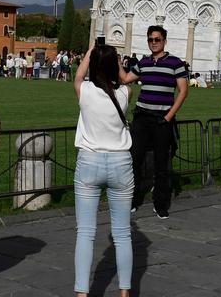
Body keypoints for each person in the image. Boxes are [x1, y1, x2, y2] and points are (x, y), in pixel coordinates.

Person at [72, 43, 135, 297]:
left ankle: (82, 293)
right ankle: (124, 292)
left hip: (90, 161)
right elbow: (122, 79)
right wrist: (117, 62)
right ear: (114, 66)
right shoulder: (125, 93)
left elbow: (77, 76)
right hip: (120, 162)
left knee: (85, 234)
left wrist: (89, 54)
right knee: (122, 235)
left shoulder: (84, 90)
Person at [128, 25, 188, 219]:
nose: (154, 43)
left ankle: (161, 204)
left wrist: (168, 116)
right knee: (134, 160)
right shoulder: (143, 62)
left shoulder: (175, 63)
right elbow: (126, 78)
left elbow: (184, 91)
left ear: (164, 41)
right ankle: (132, 200)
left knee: (162, 164)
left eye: (157, 39)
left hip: (162, 119)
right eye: (150, 40)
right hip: (142, 117)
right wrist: (106, 58)